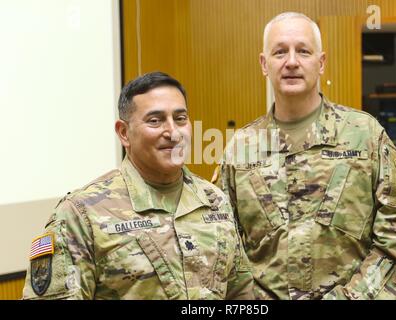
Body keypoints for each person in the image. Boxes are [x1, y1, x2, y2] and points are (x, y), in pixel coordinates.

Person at [218, 12, 396, 300]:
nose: (291, 61)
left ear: (321, 62)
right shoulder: (240, 150)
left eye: (303, 51)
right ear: (264, 64)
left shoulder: (365, 135)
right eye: (279, 52)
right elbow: (222, 247)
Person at [22, 71, 254, 300]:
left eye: (180, 118)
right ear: (124, 133)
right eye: (155, 121)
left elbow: (241, 294)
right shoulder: (81, 215)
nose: (173, 132)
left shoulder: (214, 202)